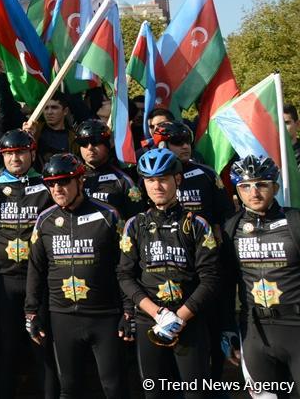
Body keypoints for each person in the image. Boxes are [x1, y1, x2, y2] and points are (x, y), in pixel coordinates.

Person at [25, 154, 131, 398]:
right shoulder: (44, 220)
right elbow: (36, 269)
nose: (57, 188)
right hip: (61, 317)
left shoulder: (109, 215)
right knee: (69, 388)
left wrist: (129, 310)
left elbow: (125, 267)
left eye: (63, 182)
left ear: (80, 181)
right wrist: (31, 312)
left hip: (104, 316)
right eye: (51, 183)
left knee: (113, 387)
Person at [118, 148, 219, 399]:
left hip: (190, 322)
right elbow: (125, 276)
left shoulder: (196, 224)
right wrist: (158, 313)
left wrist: (180, 317)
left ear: (177, 179)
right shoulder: (135, 224)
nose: (157, 186)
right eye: (150, 180)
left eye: (163, 178)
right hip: (149, 321)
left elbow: (211, 277)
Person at [0, 130, 58, 399]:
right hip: (4, 281)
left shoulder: (47, 185)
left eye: (20, 152)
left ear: (32, 153)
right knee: (6, 347)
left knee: (42, 345)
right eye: (9, 154)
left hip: (41, 281)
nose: (15, 158)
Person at [221, 155, 300, 391]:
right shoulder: (231, 228)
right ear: (237, 190)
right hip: (254, 330)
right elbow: (226, 283)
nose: (253, 192)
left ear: (275, 187)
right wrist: (227, 329)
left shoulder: (294, 221)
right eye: (245, 186)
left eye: (261, 184)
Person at [75, 119, 143, 219]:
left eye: (95, 141)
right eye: (83, 142)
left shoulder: (124, 181)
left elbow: (136, 221)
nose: (89, 147)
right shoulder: (72, 179)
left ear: (108, 144)